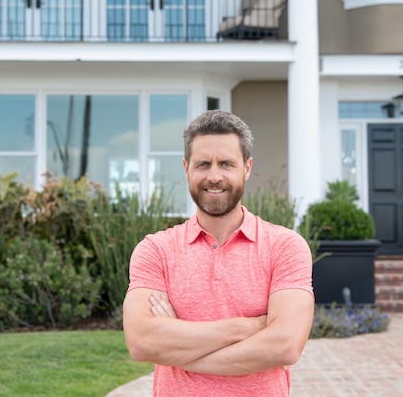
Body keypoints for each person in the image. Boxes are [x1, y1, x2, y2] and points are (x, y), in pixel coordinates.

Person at [122, 109, 314, 397]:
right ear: (186, 167)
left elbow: (285, 345)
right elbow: (141, 342)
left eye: (226, 164)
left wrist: (182, 351)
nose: (214, 177)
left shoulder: (285, 246)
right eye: (202, 164)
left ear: (247, 168)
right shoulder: (155, 250)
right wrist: (249, 327)